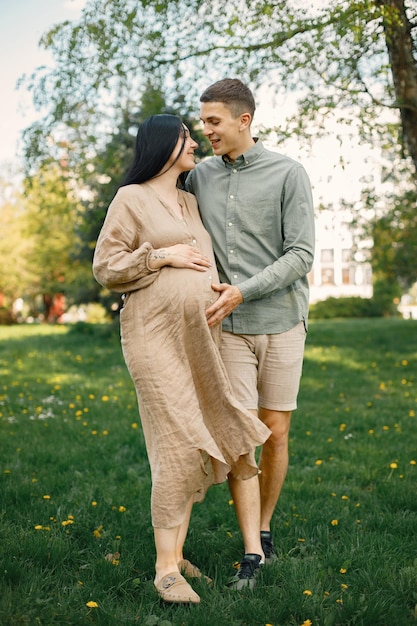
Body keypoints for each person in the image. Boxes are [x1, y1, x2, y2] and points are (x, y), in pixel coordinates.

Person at [92, 114, 271, 604]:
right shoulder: (131, 198)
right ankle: (166, 570)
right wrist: (160, 257)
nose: (196, 143)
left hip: (198, 339)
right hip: (153, 338)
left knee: (196, 442)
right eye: (187, 137)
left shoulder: (190, 201)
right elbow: (106, 266)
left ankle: (177, 549)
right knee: (176, 444)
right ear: (162, 144)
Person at [186, 79, 315, 590]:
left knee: (275, 431)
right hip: (229, 327)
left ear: (244, 120)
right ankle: (251, 553)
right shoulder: (198, 178)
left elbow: (300, 254)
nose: (206, 130)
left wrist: (243, 289)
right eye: (204, 121)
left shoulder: (288, 173)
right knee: (241, 437)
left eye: (214, 121)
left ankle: (264, 526)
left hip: (282, 319)